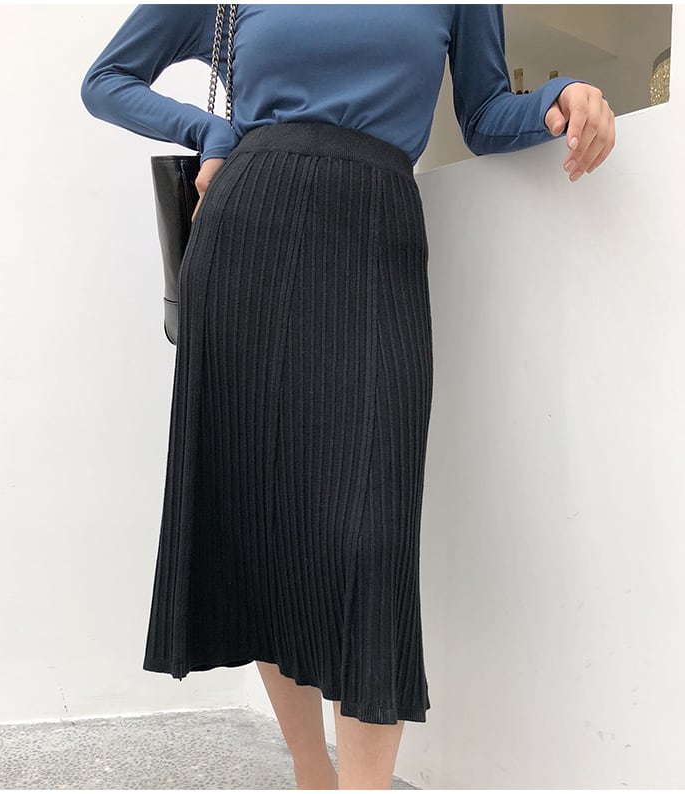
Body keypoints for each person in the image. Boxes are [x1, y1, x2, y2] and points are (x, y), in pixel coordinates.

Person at [80, 4, 615, 789]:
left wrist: (561, 97)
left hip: (374, 244)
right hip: (246, 242)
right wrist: (211, 132)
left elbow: (482, 113)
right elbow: (107, 80)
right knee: (258, 530)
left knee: (370, 543)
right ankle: (311, 771)